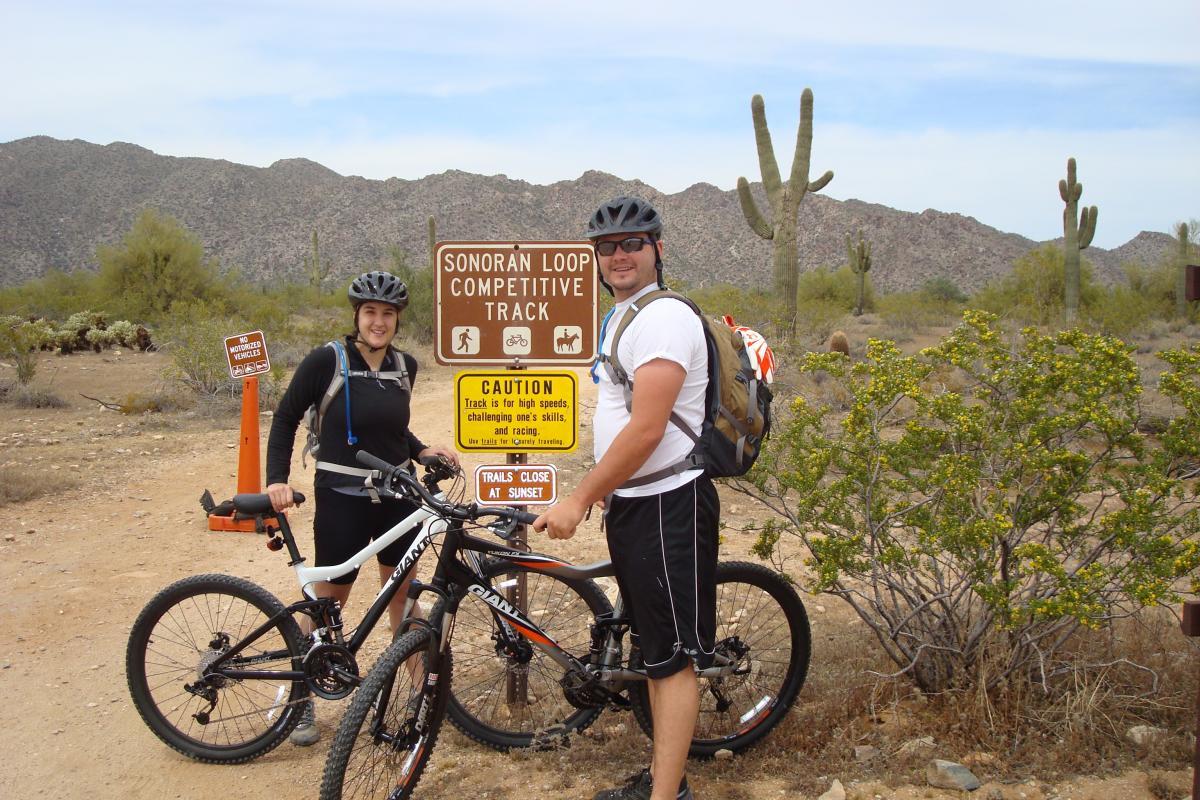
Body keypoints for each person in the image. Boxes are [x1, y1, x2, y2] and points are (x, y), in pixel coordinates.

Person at [534, 197, 715, 800]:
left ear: (657, 249)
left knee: (673, 658)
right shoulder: (627, 316)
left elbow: (648, 428)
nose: (619, 255)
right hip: (639, 504)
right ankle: (665, 779)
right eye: (607, 247)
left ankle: (667, 795)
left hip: (668, 505)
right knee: (656, 649)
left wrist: (580, 496)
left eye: (632, 243)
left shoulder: (663, 320)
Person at [265, 269, 458, 747]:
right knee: (329, 603)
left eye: (387, 314)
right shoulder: (325, 361)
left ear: (397, 320)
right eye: (370, 312)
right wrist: (276, 480)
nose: (378, 321)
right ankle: (298, 702)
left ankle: (419, 695)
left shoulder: (405, 367)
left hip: (397, 496)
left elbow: (390, 430)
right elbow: (287, 416)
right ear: (357, 316)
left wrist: (421, 451)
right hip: (342, 497)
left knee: (403, 598)